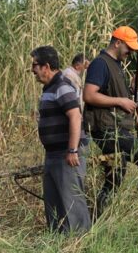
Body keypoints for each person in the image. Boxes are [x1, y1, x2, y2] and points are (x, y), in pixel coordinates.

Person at [83, 26, 138, 218]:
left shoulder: (115, 64)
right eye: (128, 47)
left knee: (115, 177)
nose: (131, 52)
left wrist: (132, 90)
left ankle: (97, 219)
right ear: (117, 42)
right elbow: (89, 95)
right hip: (108, 130)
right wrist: (120, 101)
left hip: (113, 127)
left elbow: (114, 94)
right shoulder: (100, 64)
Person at [31, 46, 92, 234]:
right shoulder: (50, 88)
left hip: (66, 155)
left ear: (46, 66)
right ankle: (59, 247)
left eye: (35, 65)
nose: (32, 70)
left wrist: (72, 150)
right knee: (54, 204)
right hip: (53, 154)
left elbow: (75, 116)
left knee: (72, 202)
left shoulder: (62, 86)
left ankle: (81, 244)